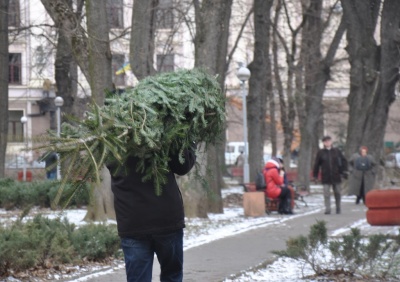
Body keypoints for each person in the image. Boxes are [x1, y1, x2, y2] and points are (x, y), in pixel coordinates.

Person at [107, 145, 196, 282]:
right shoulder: (165, 128)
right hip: (166, 217)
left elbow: (110, 163)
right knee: (172, 276)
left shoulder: (113, 134)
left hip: (132, 219)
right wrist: (189, 142)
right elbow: (182, 166)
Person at [313, 136, 348, 215]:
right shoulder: (321, 153)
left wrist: (344, 171)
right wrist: (315, 176)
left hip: (336, 175)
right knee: (326, 193)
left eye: (328, 141)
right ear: (324, 143)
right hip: (326, 176)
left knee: (338, 192)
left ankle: (338, 207)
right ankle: (327, 209)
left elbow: (343, 161)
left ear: (331, 142)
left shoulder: (336, 151)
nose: (327, 143)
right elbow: (316, 165)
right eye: (325, 141)